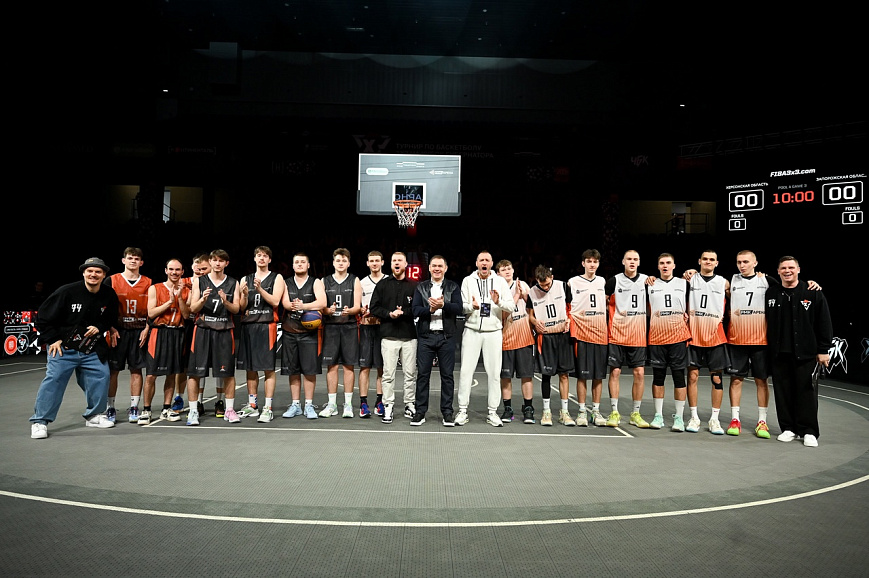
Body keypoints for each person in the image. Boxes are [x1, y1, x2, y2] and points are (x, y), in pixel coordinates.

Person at [722, 251, 821, 439]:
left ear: (755, 263)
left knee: (762, 381)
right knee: (736, 380)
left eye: (746, 262)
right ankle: (735, 420)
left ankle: (762, 422)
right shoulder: (730, 281)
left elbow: (790, 285)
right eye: (739, 262)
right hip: (737, 339)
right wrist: (690, 273)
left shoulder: (767, 281)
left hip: (761, 341)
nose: (742, 265)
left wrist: (810, 283)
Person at [30, 257, 119, 439]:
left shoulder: (109, 294)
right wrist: (53, 339)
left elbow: (110, 318)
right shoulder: (66, 292)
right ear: (84, 273)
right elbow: (42, 318)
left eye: (98, 271)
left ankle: (94, 415)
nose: (93, 274)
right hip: (63, 348)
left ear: (104, 275)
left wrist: (99, 327)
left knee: (101, 376)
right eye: (90, 271)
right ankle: (40, 421)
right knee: (54, 380)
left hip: (91, 348)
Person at [766, 256, 832, 447]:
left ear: (799, 269)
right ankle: (788, 428)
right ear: (778, 271)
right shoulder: (771, 292)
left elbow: (824, 322)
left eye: (791, 267)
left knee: (806, 393)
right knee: (783, 393)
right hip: (779, 354)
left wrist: (823, 349)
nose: (787, 271)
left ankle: (809, 431)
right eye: (783, 268)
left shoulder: (812, 292)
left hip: (806, 354)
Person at [456, 251, 514, 426]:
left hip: (493, 332)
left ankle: (492, 412)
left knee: (494, 373)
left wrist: (498, 302)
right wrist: (471, 307)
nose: (484, 263)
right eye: (481, 260)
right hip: (472, 330)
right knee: (466, 372)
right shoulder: (468, 281)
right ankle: (462, 410)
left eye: (487, 260)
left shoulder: (500, 282)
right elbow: (461, 306)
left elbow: (511, 306)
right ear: (476, 263)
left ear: (491, 263)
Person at [186, 249, 241, 425]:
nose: (217, 263)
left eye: (221, 261)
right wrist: (202, 300)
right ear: (210, 262)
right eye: (214, 260)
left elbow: (236, 309)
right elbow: (193, 308)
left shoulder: (233, 283)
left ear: (226, 263)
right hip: (203, 330)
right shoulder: (199, 281)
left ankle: (229, 410)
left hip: (224, 330)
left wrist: (226, 302)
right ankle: (193, 411)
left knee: (228, 372)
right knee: (194, 372)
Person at [411, 255, 462, 426]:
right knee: (422, 376)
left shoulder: (453, 287)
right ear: (429, 268)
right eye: (434, 266)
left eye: (440, 266)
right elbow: (415, 310)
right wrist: (430, 310)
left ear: (445, 268)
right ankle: (420, 412)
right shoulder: (421, 287)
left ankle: (447, 412)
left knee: (447, 376)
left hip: (446, 337)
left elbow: (459, 308)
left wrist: (443, 305)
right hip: (426, 337)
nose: (437, 268)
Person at [237, 246, 285, 423]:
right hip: (249, 326)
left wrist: (260, 290)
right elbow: (241, 307)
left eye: (265, 256)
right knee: (250, 368)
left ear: (269, 260)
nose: (262, 258)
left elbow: (275, 301)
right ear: (254, 258)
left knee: (268, 368)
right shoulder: (245, 279)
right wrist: (244, 295)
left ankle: (268, 407)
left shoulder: (277, 277)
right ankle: (252, 405)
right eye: (259, 255)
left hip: (267, 325)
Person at [369, 252, 418, 424]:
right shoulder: (382, 285)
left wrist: (403, 313)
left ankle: (409, 404)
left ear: (405, 264)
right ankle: (388, 405)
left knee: (410, 374)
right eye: (394, 260)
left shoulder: (414, 285)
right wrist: (389, 314)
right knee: (388, 374)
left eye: (400, 261)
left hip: (409, 336)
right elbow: (374, 307)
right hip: (388, 336)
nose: (397, 263)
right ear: (391, 264)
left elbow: (418, 308)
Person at [140, 258, 191, 424]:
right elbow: (151, 313)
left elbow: (186, 315)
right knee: (151, 375)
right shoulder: (155, 288)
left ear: (182, 272)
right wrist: (169, 302)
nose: (174, 272)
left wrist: (179, 298)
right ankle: (146, 410)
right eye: (171, 269)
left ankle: (166, 408)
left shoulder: (187, 291)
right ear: (166, 270)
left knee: (171, 373)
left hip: (177, 333)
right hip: (159, 333)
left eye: (177, 270)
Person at [685, 251, 730, 434]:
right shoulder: (690, 279)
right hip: (694, 334)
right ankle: (694, 417)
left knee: (716, 379)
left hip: (715, 336)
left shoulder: (724, 283)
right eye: (705, 259)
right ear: (699, 261)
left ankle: (714, 419)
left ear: (717, 263)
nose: (708, 262)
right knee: (692, 377)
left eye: (712, 259)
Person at [105, 247, 152, 423]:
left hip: (138, 330)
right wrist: (110, 327)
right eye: (130, 258)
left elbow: (152, 308)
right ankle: (110, 407)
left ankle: (134, 407)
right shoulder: (112, 280)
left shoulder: (148, 282)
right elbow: (104, 306)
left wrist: (147, 328)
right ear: (123, 260)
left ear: (141, 262)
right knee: (113, 370)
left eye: (136, 259)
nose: (133, 261)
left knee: (136, 369)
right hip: (117, 331)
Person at [604, 250, 650, 428]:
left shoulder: (647, 281)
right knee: (615, 372)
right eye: (629, 259)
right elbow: (603, 302)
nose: (632, 262)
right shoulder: (614, 281)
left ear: (639, 262)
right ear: (623, 261)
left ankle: (635, 413)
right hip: (617, 333)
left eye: (635, 259)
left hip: (638, 334)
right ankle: (614, 412)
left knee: (639, 373)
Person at [646, 253, 691, 431]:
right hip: (657, 336)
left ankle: (679, 418)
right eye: (662, 263)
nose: (665, 266)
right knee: (658, 377)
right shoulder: (650, 284)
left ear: (674, 265)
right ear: (658, 266)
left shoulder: (684, 283)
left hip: (678, 337)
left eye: (668, 263)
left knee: (679, 377)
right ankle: (658, 416)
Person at [280, 252, 327, 420]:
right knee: (293, 371)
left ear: (308, 265)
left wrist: (303, 306)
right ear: (293, 266)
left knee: (309, 371)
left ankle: (308, 404)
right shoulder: (286, 282)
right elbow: (285, 303)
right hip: (290, 330)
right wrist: (297, 306)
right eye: (297, 262)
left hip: (309, 334)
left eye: (303, 262)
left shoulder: (316, 282)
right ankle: (295, 404)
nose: (299, 264)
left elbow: (322, 302)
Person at [526, 265, 574, 427]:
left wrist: (569, 320)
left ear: (551, 277)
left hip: (562, 335)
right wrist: (535, 322)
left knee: (564, 374)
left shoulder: (563, 286)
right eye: (542, 285)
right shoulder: (532, 292)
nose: (545, 287)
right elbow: (530, 315)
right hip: (545, 337)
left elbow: (571, 308)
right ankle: (546, 412)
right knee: (546, 375)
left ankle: (564, 412)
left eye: (547, 284)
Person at [319, 248, 362, 418]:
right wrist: (327, 310)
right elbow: (321, 306)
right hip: (331, 327)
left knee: (349, 365)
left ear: (348, 263)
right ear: (333, 262)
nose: (341, 263)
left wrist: (350, 310)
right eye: (338, 260)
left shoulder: (354, 280)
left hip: (349, 326)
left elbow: (357, 306)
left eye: (344, 260)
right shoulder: (324, 281)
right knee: (332, 366)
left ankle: (348, 404)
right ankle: (332, 404)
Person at [567, 250, 608, 427]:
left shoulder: (603, 281)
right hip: (581, 333)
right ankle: (582, 411)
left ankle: (596, 411)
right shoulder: (572, 282)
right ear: (583, 263)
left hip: (600, 333)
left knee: (598, 376)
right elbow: (566, 305)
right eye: (589, 261)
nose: (592, 264)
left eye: (595, 261)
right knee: (582, 375)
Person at [496, 260, 536, 424]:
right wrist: (517, 296)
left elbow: (534, 308)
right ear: (498, 273)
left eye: (509, 268)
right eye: (503, 269)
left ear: (513, 270)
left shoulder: (523, 285)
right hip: (506, 338)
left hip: (524, 337)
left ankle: (528, 408)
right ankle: (508, 409)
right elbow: (502, 315)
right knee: (506, 376)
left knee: (526, 375)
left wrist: (524, 295)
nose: (507, 271)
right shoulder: (497, 289)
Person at [358, 251, 386, 418]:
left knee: (382, 367)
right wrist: (361, 310)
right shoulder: (361, 283)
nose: (374, 263)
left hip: (383, 328)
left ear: (382, 262)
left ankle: (380, 402)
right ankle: (363, 403)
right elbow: (357, 305)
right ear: (367, 263)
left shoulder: (388, 281)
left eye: (377, 260)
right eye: (371, 261)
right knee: (365, 367)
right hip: (366, 327)